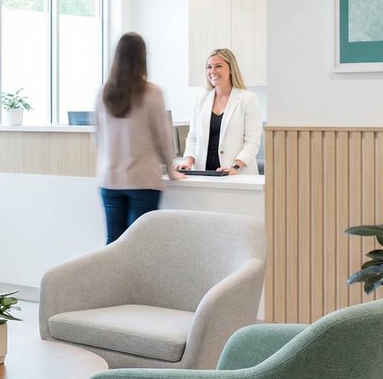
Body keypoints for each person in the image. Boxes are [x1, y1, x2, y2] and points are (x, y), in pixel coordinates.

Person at [96, 32, 181, 245]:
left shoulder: (104, 92)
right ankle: (134, 281)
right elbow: (163, 136)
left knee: (113, 244)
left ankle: (112, 280)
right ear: (142, 57)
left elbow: (98, 137)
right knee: (140, 245)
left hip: (110, 179)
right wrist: (171, 169)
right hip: (142, 180)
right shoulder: (152, 92)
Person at [174, 48, 262, 176]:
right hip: (204, 170)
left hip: (235, 172)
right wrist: (188, 161)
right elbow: (193, 137)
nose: (212, 71)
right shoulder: (200, 99)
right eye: (209, 67)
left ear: (231, 69)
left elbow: (252, 142)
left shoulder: (248, 99)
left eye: (218, 66)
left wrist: (235, 167)